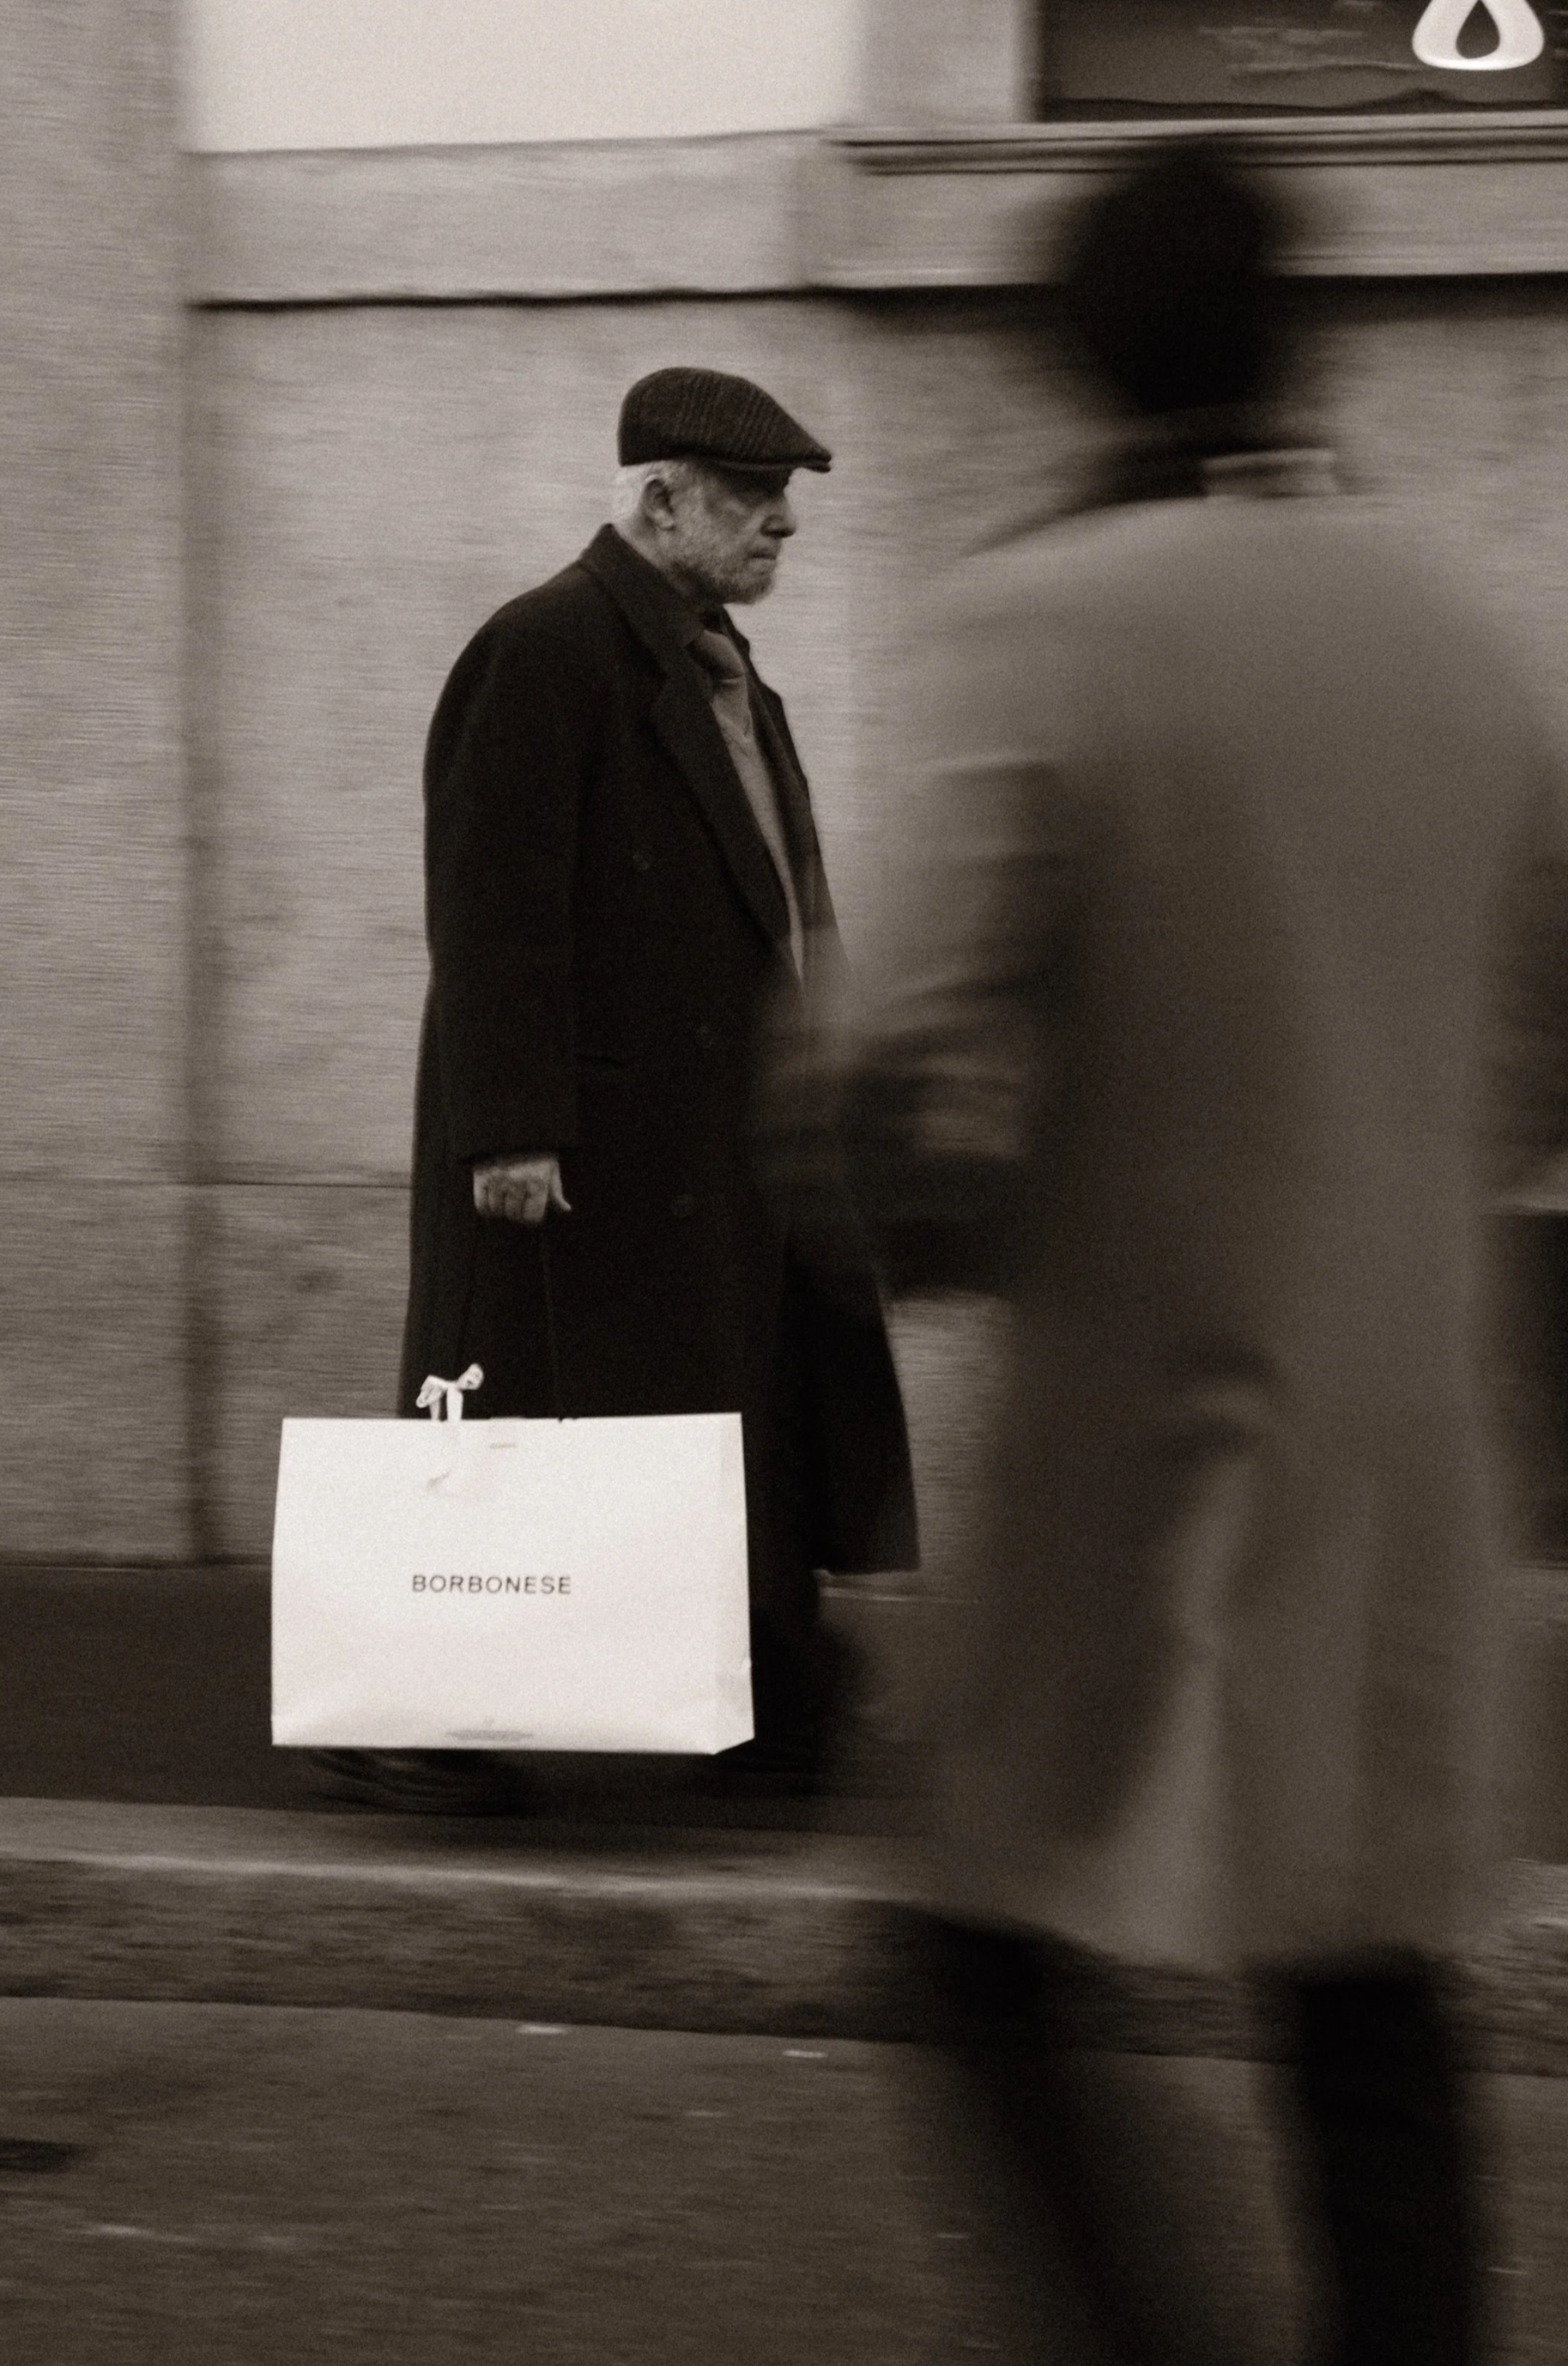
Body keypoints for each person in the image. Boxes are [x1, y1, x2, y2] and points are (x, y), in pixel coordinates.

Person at [793, 143, 1568, 2363]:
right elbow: (1544, 1023)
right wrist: (1398, 1180)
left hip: (1136, 1408)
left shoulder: (1045, 623)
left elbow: (878, 1048)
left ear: (1075, 350)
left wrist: (949, 1223)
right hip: (1400, 1414)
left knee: (969, 1927)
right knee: (1361, 1964)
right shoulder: (1462, 634)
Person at [319, 366, 917, 1817]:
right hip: (583, 1141)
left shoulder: (721, 667)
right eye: (752, 497)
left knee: (728, 1411)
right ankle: (406, 1712)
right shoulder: (544, 649)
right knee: (519, 1422)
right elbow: (491, 903)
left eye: (784, 499)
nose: (783, 525)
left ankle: (758, 1690)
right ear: (659, 500)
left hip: (715, 1132)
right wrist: (509, 1128)